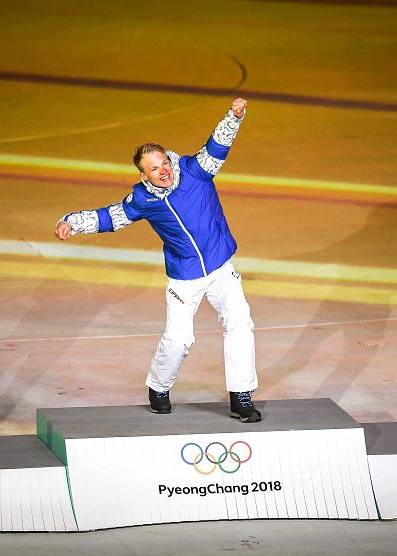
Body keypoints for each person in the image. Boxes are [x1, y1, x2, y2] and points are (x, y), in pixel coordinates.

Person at [55, 98, 261, 422]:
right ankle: (158, 386)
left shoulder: (197, 171)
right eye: (154, 168)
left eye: (164, 162)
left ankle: (241, 395)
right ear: (144, 174)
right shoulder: (142, 200)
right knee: (179, 340)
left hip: (221, 266)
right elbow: (111, 216)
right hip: (184, 277)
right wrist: (72, 222)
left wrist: (233, 117)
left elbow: (217, 146)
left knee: (240, 322)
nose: (163, 170)